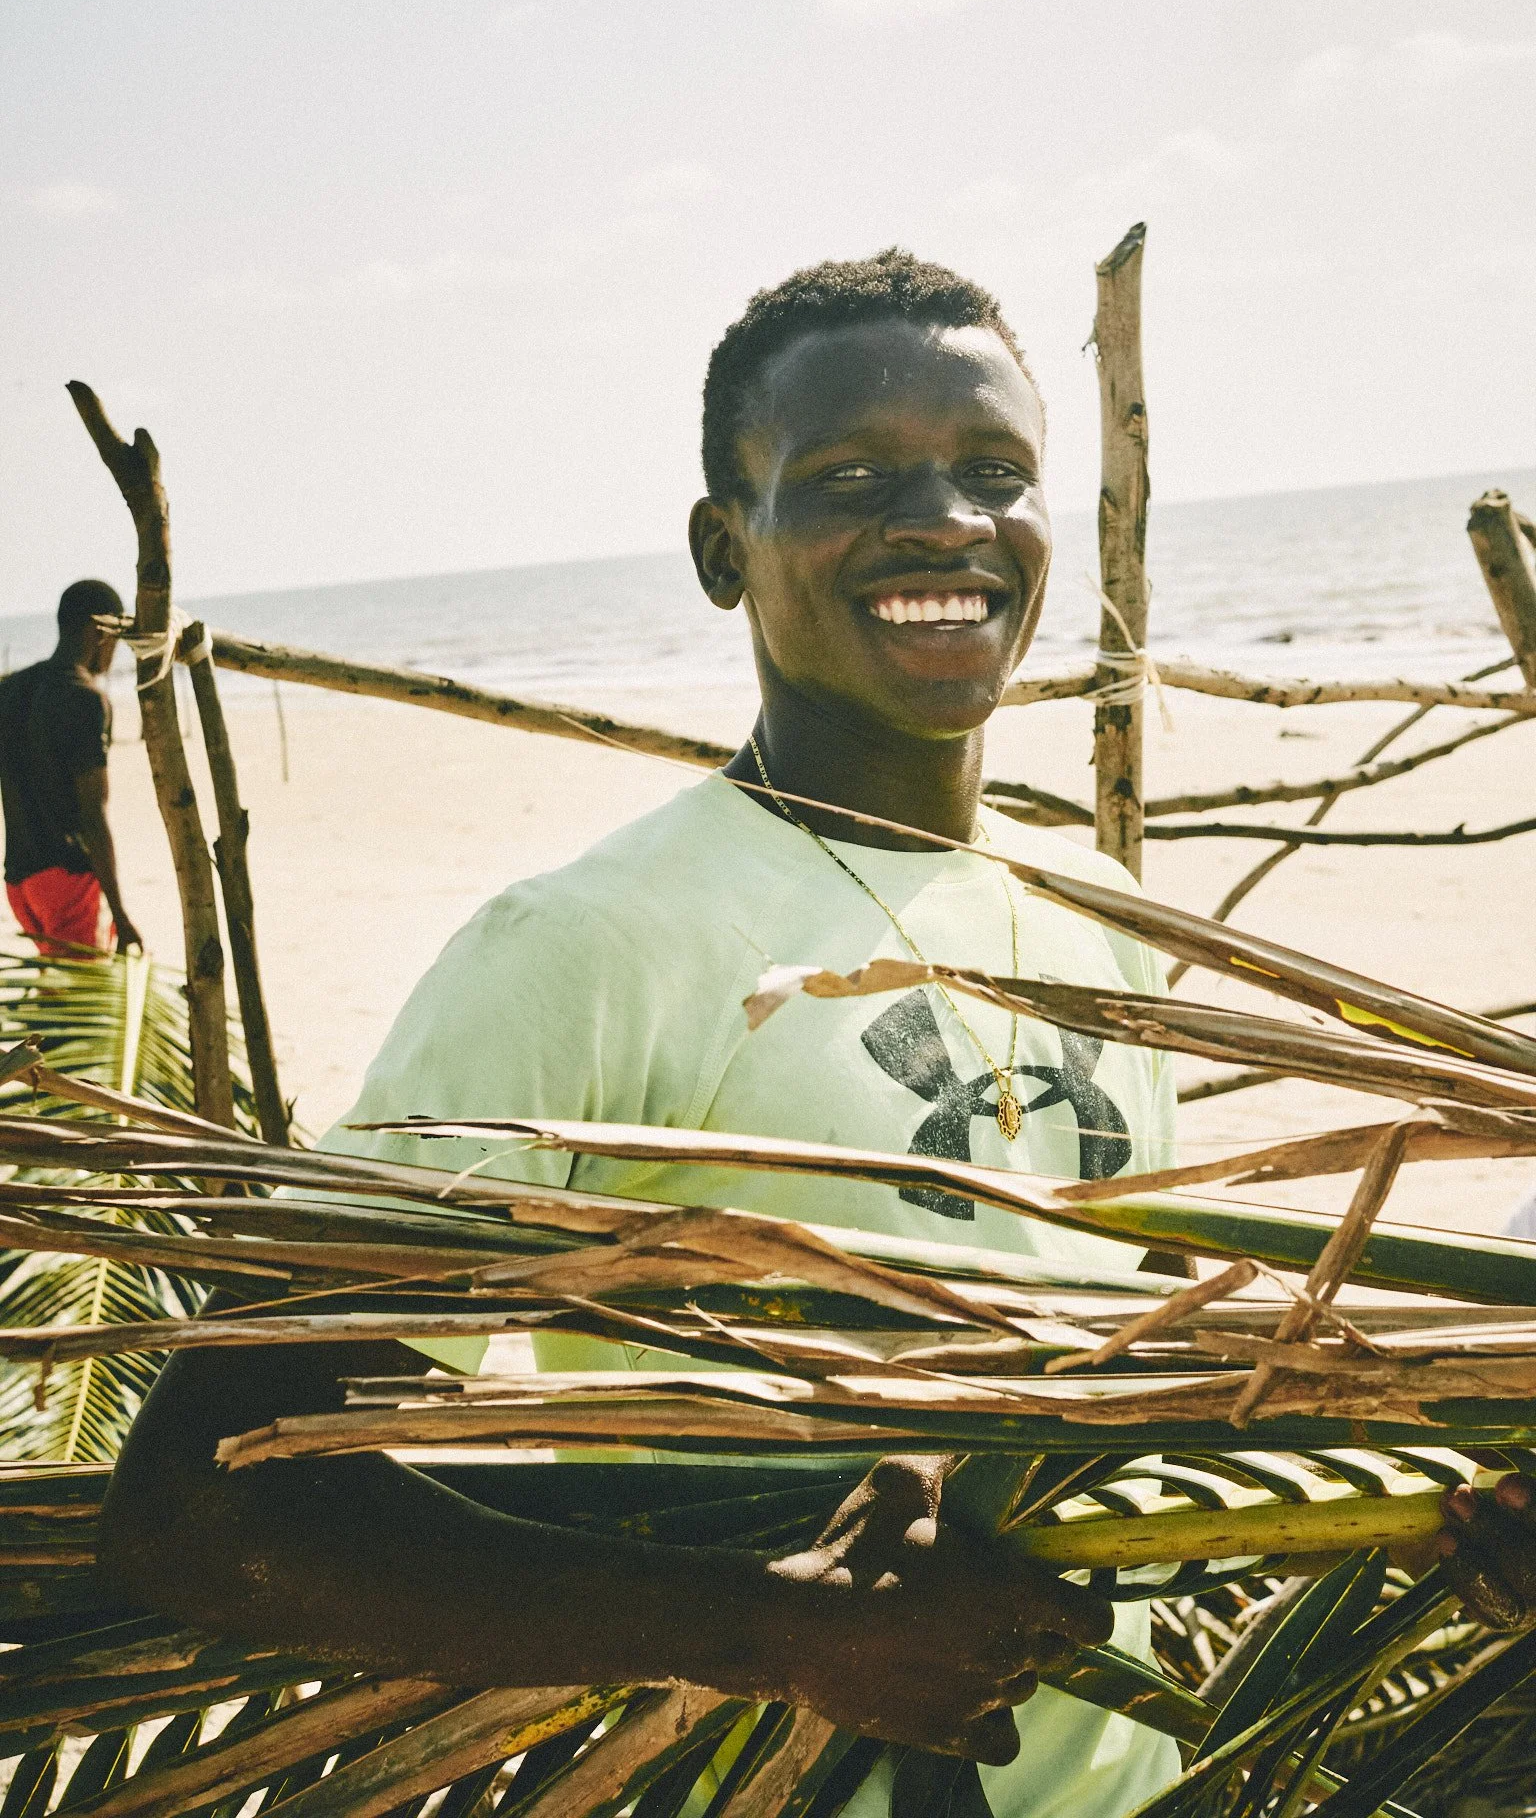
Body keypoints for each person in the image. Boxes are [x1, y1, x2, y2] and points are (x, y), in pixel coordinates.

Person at [99, 253, 1536, 1812]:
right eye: (854, 476)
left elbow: (1150, 1422)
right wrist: (777, 1633)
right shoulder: (592, 944)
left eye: (996, 472)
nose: (945, 520)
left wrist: (1450, 1524)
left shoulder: (1102, 917)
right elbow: (208, 1508)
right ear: (728, 550)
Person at [0, 578, 140, 956]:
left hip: (19, 882)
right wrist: (121, 915)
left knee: (61, 998)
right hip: (66, 881)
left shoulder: (9, 691)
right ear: (99, 631)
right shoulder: (86, 699)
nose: (116, 652)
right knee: (85, 1006)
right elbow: (93, 815)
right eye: (117, 637)